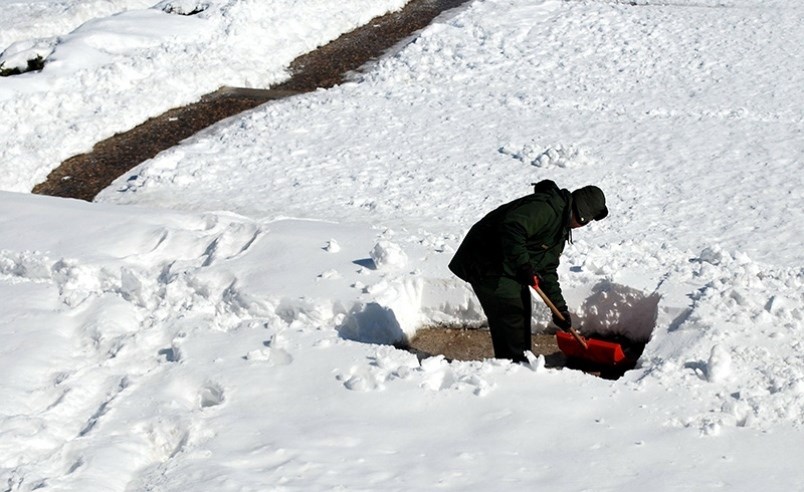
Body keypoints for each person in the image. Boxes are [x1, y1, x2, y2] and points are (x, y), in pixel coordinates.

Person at [448, 180, 608, 363]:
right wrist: (524, 265)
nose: (582, 226)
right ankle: (513, 367)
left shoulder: (561, 225)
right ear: (581, 216)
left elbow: (547, 269)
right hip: (486, 260)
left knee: (521, 308)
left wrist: (559, 310)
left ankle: (521, 361)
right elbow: (512, 227)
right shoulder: (547, 209)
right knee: (510, 312)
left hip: (507, 264)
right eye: (585, 221)